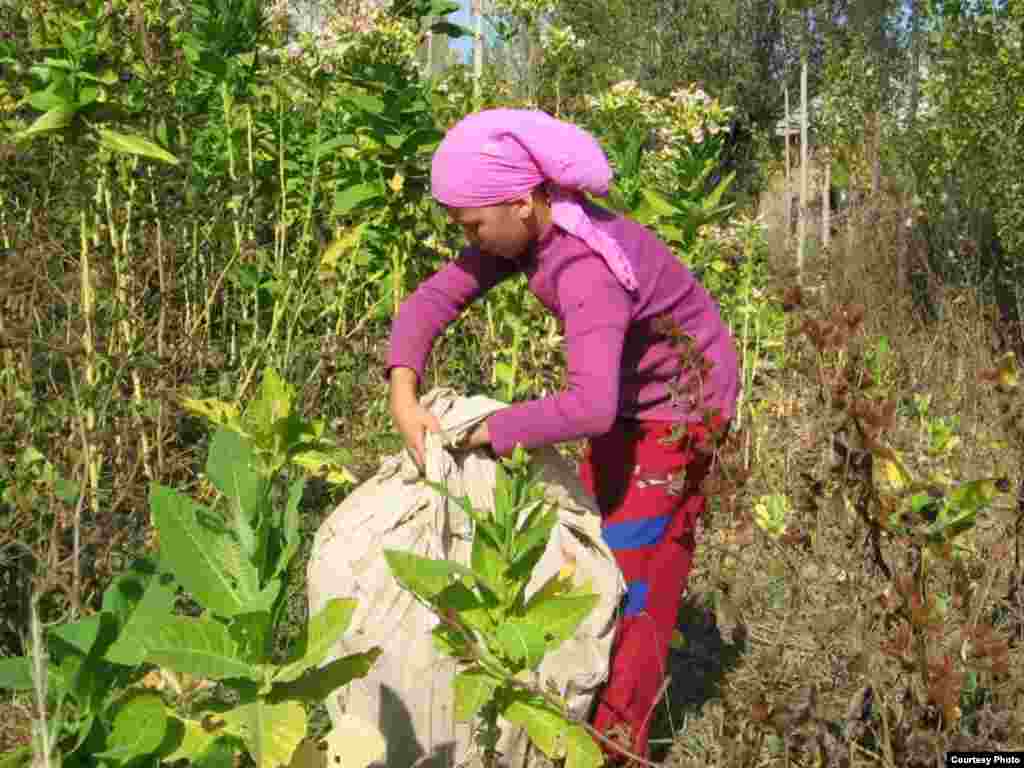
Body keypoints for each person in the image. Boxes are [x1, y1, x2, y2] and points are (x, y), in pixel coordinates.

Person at [386, 108, 740, 764]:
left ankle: (614, 746)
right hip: (628, 401)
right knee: (599, 551)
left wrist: (487, 431)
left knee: (634, 582)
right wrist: (402, 388)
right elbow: (435, 298)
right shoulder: (524, 236)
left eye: (470, 225)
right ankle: (583, 715)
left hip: (682, 413)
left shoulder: (584, 269)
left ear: (521, 203)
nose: (469, 239)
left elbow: (588, 408)